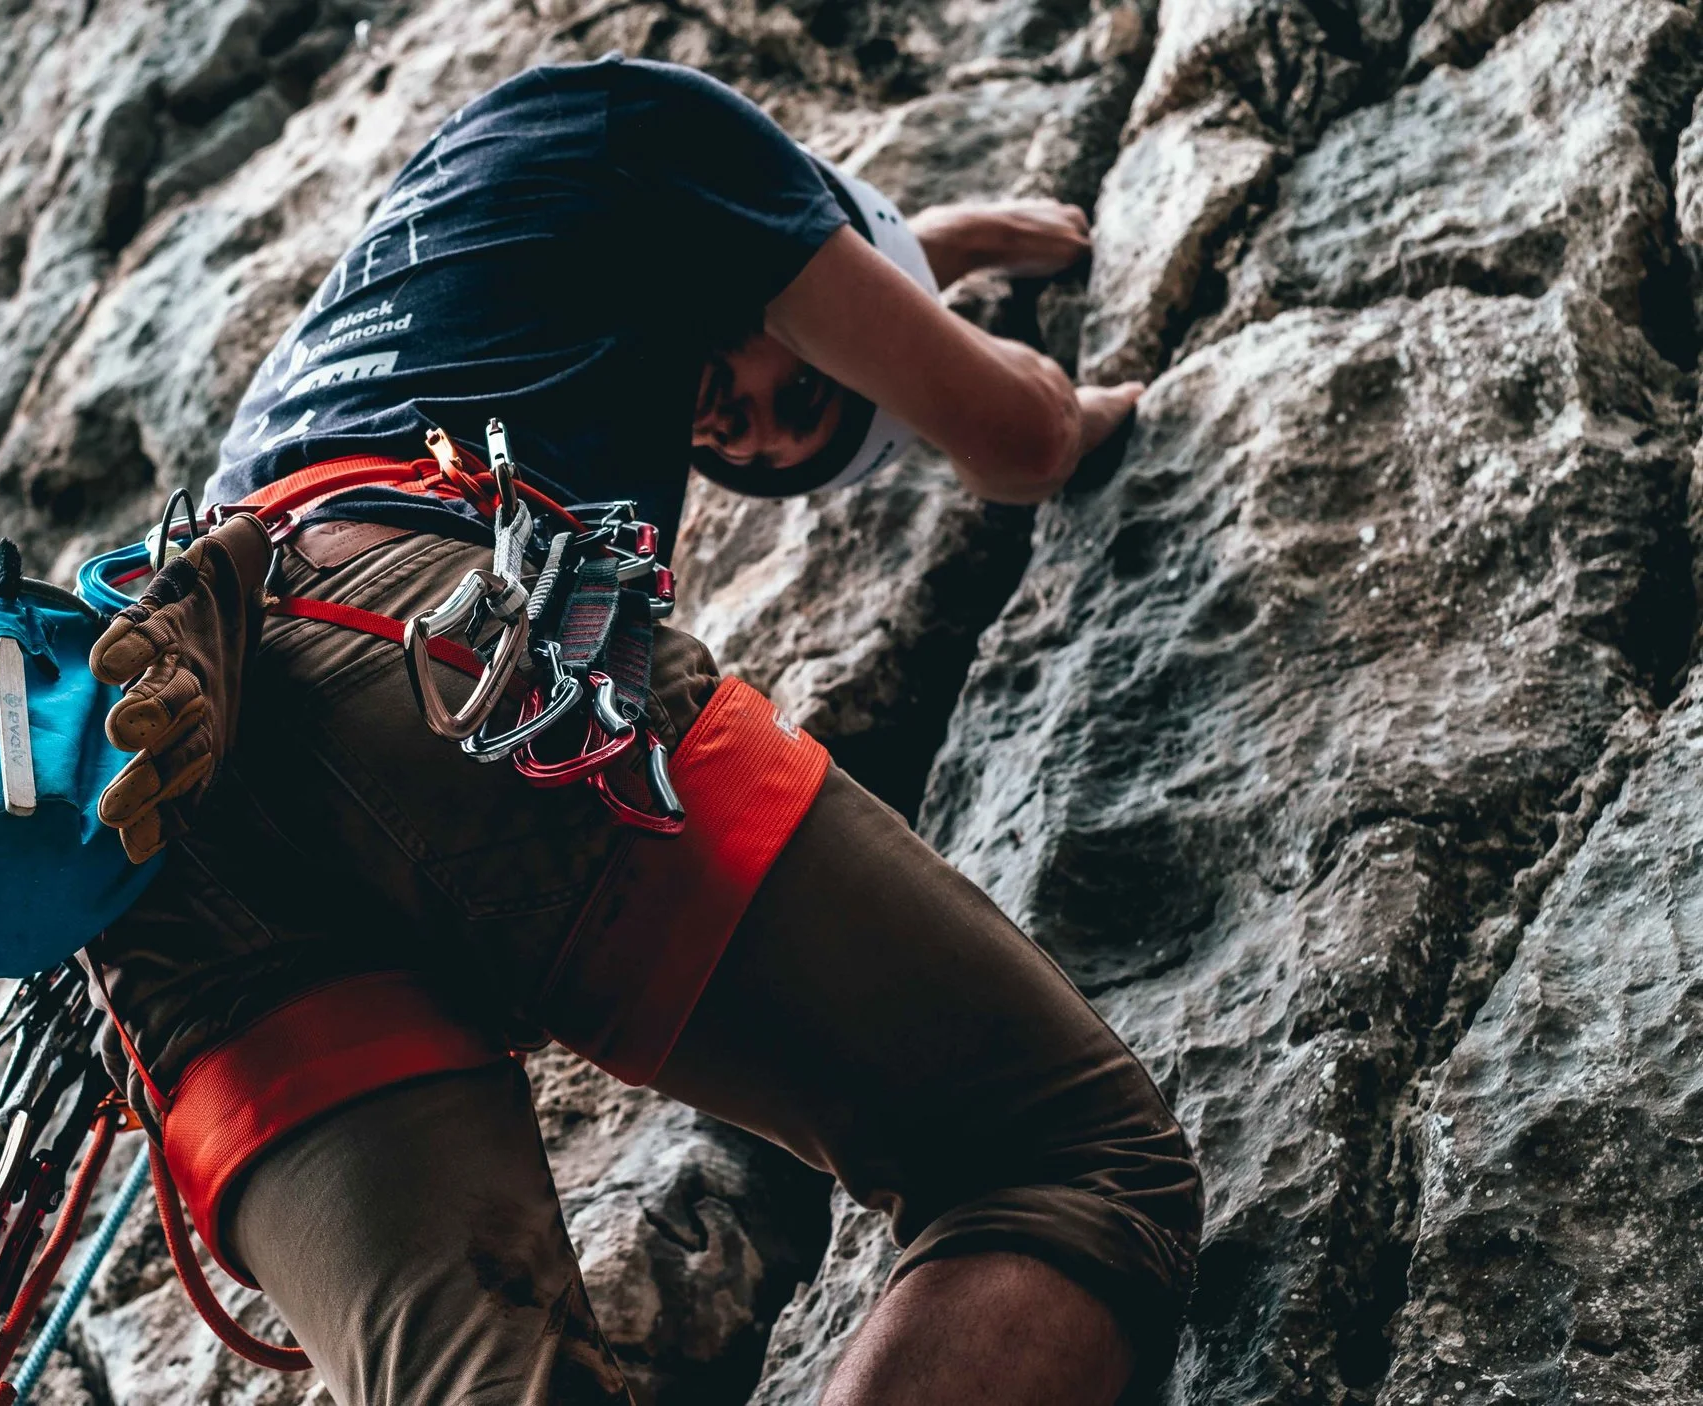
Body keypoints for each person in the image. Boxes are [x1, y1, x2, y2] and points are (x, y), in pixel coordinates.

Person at [81, 55, 1198, 1406]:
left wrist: (890, 251)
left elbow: (794, 255)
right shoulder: (642, 114)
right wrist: (1049, 375)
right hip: (433, 648)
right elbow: (1014, 436)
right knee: (1062, 1155)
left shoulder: (396, 307)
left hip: (169, 788)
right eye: (801, 393)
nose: (748, 426)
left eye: (780, 448)